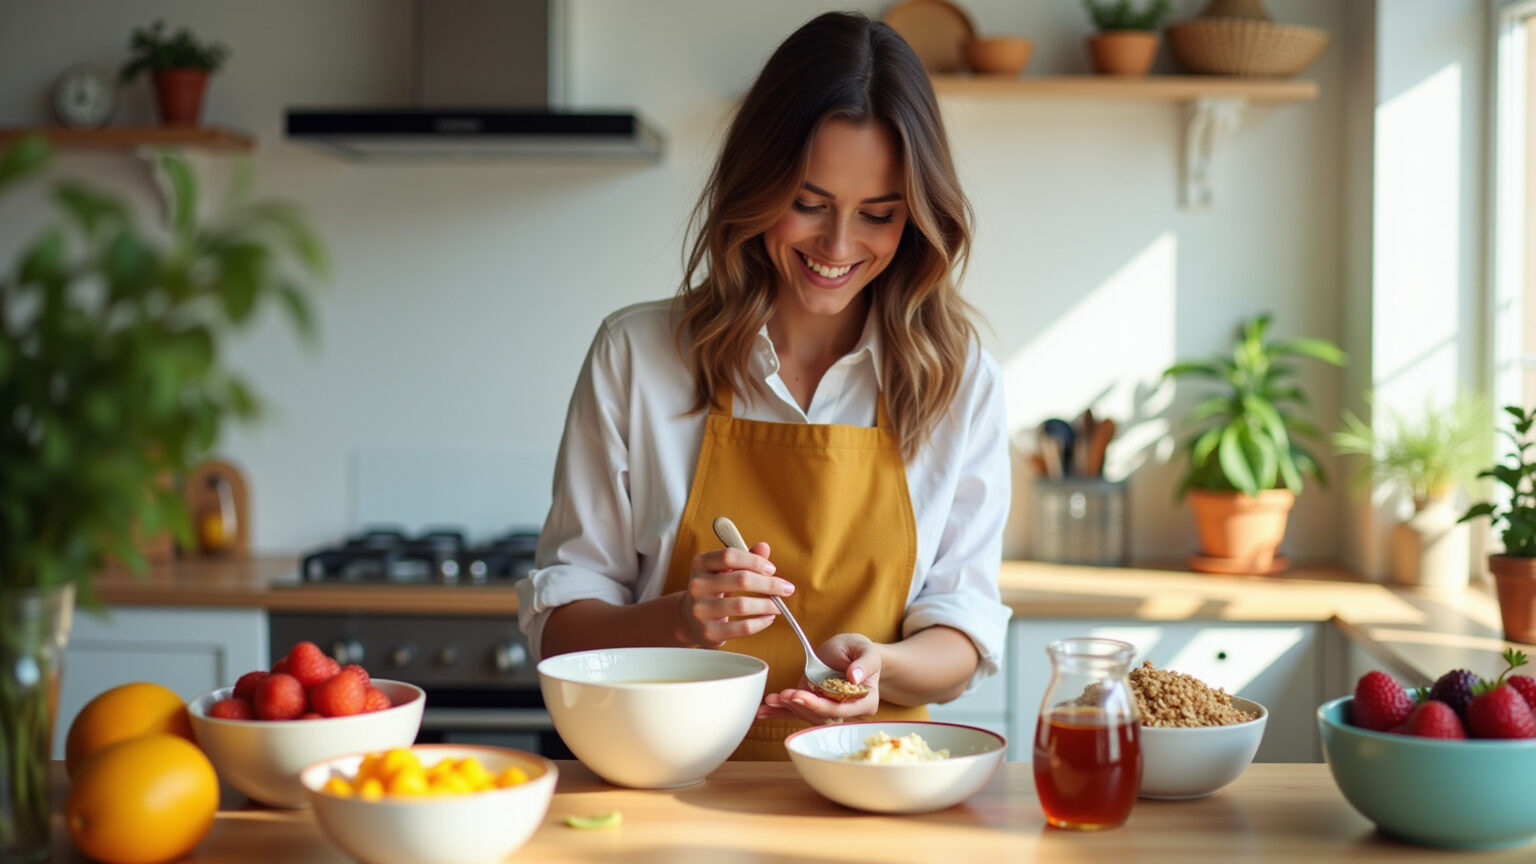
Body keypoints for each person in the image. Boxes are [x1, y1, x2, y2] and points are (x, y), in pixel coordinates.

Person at [515, 11, 1011, 760]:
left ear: (916, 218)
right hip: (672, 781)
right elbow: (559, 630)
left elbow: (964, 626)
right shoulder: (638, 355)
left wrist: (887, 666)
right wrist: (683, 620)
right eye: (808, 204)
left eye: (877, 215)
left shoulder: (955, 376)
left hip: (878, 781)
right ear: (755, 183)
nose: (838, 248)